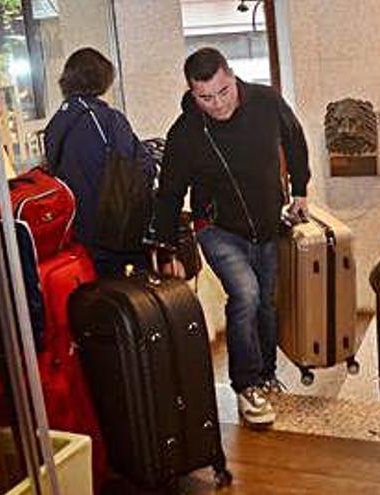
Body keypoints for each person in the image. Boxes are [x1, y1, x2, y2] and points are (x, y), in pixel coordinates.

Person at [155, 48, 310, 427]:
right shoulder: (185, 132)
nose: (218, 104)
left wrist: (301, 188)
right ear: (193, 94)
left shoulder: (266, 102)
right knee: (246, 294)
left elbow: (295, 139)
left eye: (223, 91)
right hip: (217, 230)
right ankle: (245, 386)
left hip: (267, 225)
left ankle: (266, 373)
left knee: (266, 303)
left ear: (232, 76)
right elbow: (171, 193)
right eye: (205, 98)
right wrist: (165, 247)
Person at [44, 47, 156, 277]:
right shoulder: (107, 118)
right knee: (134, 302)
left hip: (78, 235)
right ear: (102, 79)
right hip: (114, 230)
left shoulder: (55, 125)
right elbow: (132, 171)